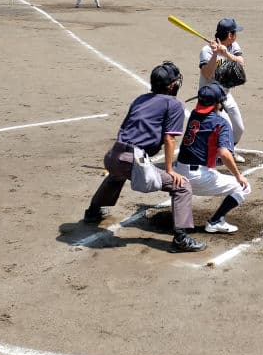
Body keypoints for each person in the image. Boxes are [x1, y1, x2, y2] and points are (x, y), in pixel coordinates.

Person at [82, 61, 205, 253]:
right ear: (172, 86)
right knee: (181, 186)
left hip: (113, 155)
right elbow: (170, 138)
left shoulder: (140, 99)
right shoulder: (174, 104)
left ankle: (92, 212)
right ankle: (181, 238)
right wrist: (170, 170)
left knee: (115, 175)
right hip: (131, 159)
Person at [174, 83, 251, 234]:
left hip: (178, 175)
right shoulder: (221, 123)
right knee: (244, 187)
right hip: (196, 178)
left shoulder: (194, 114)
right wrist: (238, 175)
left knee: (213, 172)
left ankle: (179, 209)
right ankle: (215, 222)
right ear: (219, 103)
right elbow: (224, 153)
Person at [199, 18, 247, 163]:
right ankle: (223, 153)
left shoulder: (233, 46)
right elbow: (206, 74)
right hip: (210, 97)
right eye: (235, 32)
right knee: (226, 126)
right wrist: (215, 54)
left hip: (225, 93)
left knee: (239, 129)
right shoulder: (206, 50)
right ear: (229, 35)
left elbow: (241, 63)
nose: (236, 35)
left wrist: (225, 53)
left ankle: (228, 150)